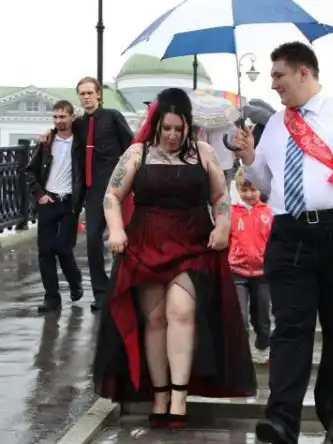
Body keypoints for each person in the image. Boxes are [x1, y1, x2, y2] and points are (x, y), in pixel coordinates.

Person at [233, 41, 333, 444]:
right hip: (289, 233)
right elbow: (267, 185)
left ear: (303, 72)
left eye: (279, 75)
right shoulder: (275, 126)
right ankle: (281, 419)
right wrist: (250, 158)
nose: (274, 84)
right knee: (290, 327)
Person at [92, 88, 256, 429]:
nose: (172, 135)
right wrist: (116, 230)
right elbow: (112, 195)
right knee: (154, 321)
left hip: (192, 243)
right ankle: (160, 393)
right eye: (166, 128)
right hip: (146, 244)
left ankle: (179, 395)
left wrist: (223, 224)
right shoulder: (137, 153)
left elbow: (219, 195)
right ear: (156, 124)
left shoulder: (203, 152)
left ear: (187, 125)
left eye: (178, 129)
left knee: (181, 312)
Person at [39, 76, 134, 312]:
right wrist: (47, 133)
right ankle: (101, 293)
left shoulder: (113, 117)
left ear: (98, 94)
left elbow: (132, 148)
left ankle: (122, 288)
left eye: (90, 93)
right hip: (92, 192)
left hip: (116, 190)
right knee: (93, 241)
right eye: (82, 94)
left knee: (121, 240)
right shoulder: (79, 124)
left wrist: (131, 181)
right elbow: (61, 130)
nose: (86, 97)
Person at [26, 100, 85, 313]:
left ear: (72, 117)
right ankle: (52, 298)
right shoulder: (47, 143)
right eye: (55, 117)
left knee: (62, 248)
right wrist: (40, 194)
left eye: (63, 116)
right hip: (48, 200)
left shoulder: (80, 143)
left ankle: (75, 281)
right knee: (45, 251)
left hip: (69, 202)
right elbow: (30, 171)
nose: (58, 121)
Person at [229, 167, 273, 363]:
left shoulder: (269, 212)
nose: (248, 194)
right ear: (237, 189)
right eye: (244, 190)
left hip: (262, 274)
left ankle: (262, 346)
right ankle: (241, 354)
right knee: (240, 317)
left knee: (262, 317)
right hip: (237, 272)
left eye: (252, 189)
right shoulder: (232, 212)